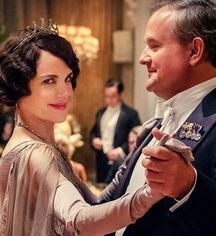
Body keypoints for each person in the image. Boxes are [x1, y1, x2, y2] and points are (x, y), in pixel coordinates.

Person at [0, 19, 165, 235]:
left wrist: (136, 150)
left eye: (67, 79)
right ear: (19, 86)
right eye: (49, 81)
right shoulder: (36, 153)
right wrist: (151, 193)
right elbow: (80, 220)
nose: (65, 92)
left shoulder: (37, 143)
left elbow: (97, 201)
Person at [98, 1, 216, 235]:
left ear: (194, 51)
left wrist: (189, 187)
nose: (143, 58)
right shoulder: (159, 121)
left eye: (154, 45)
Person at [90, 78, 141, 184]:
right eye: (107, 96)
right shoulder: (100, 113)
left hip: (121, 162)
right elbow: (93, 132)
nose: (109, 100)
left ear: (120, 94)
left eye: (112, 96)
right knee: (101, 190)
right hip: (101, 160)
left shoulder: (131, 114)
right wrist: (93, 140)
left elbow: (138, 137)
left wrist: (120, 151)